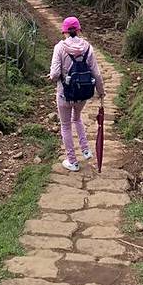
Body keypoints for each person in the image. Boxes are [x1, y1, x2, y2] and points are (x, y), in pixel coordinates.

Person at [49, 15, 105, 172]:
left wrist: (52, 78)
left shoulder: (59, 48)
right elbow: (97, 73)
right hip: (82, 94)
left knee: (66, 125)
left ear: (64, 32)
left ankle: (72, 161)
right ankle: (86, 150)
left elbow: (54, 74)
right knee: (77, 118)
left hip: (64, 94)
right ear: (79, 30)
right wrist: (101, 92)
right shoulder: (88, 47)